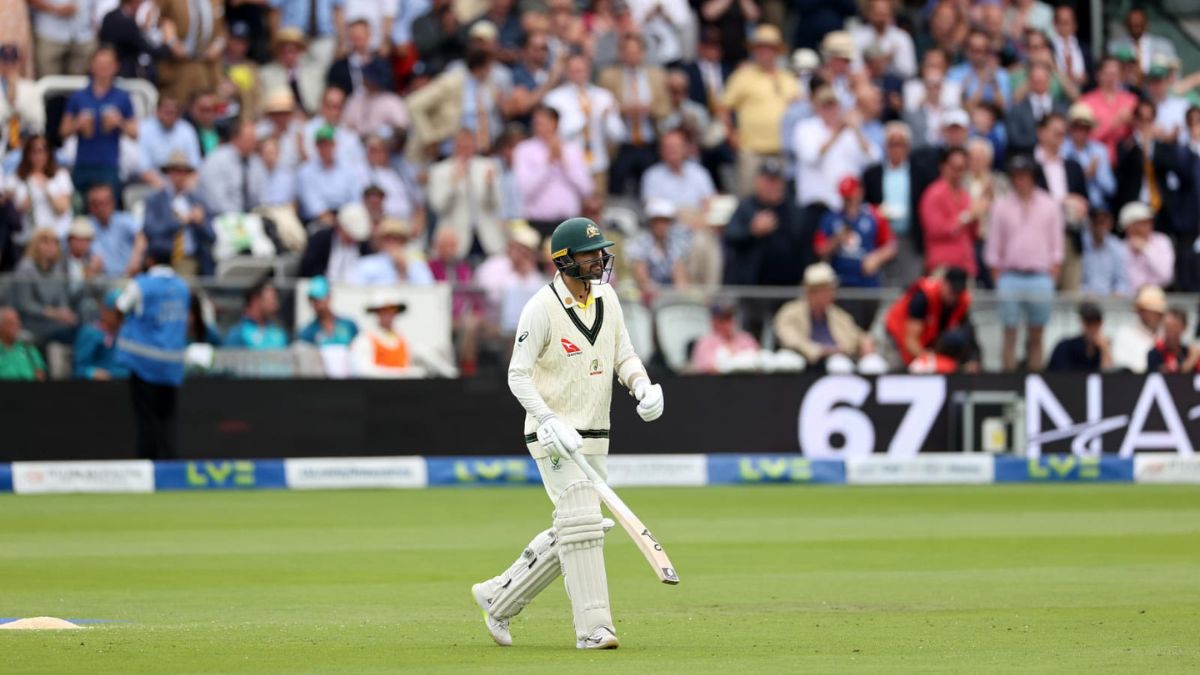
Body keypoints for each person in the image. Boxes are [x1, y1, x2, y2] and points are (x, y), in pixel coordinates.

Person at [472, 216, 664, 651]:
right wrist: (548, 419)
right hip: (554, 435)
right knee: (584, 524)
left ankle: (500, 596)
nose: (599, 260)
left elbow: (624, 355)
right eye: (589, 253)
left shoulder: (608, 298)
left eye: (601, 252)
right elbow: (517, 376)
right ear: (564, 260)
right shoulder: (540, 307)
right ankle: (594, 628)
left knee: (576, 528)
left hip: (597, 433)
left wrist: (642, 386)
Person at [985, 154, 1063, 372]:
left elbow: (1056, 247)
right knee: (1009, 332)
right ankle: (1008, 381)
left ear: (1032, 177)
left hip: (1040, 276)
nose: (1021, 180)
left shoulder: (1049, 205)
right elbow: (994, 247)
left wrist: (1052, 276)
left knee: (1037, 334)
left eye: (1025, 176)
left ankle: (1036, 379)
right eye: (1017, 176)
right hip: (1010, 276)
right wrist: (997, 277)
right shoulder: (1001, 207)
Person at [114, 243, 189, 458]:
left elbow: (120, 307)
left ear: (150, 260)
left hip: (143, 362)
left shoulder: (141, 285)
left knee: (147, 419)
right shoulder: (182, 287)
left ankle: (149, 466)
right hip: (171, 364)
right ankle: (171, 468)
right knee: (168, 419)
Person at [720, 25, 798, 196]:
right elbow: (723, 108)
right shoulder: (743, 76)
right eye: (760, 47)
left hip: (781, 153)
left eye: (768, 48)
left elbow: (799, 110)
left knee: (781, 203)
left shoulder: (789, 78)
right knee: (748, 200)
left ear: (777, 51)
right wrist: (730, 134)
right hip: (751, 152)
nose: (764, 52)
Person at [774, 262, 881, 373]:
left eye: (831, 289)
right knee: (787, 361)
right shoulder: (790, 312)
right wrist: (821, 351)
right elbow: (789, 339)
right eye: (826, 290)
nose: (832, 294)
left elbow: (857, 335)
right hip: (805, 362)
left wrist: (865, 341)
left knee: (853, 364)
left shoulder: (837, 314)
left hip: (837, 361)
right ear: (812, 292)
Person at [60, 47, 137, 198]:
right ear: (91, 66)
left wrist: (118, 122)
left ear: (115, 67)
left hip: (109, 164)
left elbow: (135, 132)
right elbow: (63, 131)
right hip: (83, 163)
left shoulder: (123, 97)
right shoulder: (78, 96)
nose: (103, 68)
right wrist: (78, 124)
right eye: (99, 63)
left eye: (107, 64)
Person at [599, 33, 668, 196]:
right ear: (621, 54)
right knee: (617, 186)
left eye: (636, 52)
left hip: (649, 140)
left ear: (643, 53)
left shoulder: (656, 76)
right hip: (623, 142)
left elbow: (666, 107)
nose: (632, 56)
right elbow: (603, 106)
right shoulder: (609, 76)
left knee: (651, 187)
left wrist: (651, 109)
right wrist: (624, 110)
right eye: (628, 52)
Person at [793, 87, 878, 213]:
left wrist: (857, 131)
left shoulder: (850, 132)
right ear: (816, 108)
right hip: (817, 204)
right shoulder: (805, 128)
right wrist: (837, 132)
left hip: (847, 205)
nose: (830, 110)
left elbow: (874, 158)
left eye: (833, 106)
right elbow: (812, 157)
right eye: (825, 106)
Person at [514, 106, 593, 237]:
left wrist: (564, 164)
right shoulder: (524, 150)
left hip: (569, 223)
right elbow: (525, 190)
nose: (538, 127)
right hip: (537, 222)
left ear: (555, 123)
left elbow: (587, 189)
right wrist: (548, 164)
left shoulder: (572, 149)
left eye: (543, 123)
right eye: (536, 123)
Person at [427, 129, 506, 261]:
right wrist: (453, 184)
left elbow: (495, 204)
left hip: (486, 238)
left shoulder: (487, 166)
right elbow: (438, 206)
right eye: (461, 145)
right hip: (456, 239)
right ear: (454, 146)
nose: (465, 149)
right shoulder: (440, 170)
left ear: (474, 145)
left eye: (468, 145)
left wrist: (489, 186)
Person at [815, 176, 896, 295]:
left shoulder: (873, 215)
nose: (847, 201)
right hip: (839, 284)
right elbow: (820, 249)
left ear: (859, 194)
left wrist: (876, 258)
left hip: (867, 284)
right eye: (845, 198)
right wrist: (836, 240)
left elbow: (891, 245)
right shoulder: (831, 218)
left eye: (850, 197)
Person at [884, 267, 974, 367]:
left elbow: (968, 333)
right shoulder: (922, 297)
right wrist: (931, 361)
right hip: (899, 332)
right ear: (944, 283)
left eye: (958, 293)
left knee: (955, 339)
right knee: (903, 369)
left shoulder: (961, 301)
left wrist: (972, 360)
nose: (954, 297)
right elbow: (910, 341)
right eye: (952, 291)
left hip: (927, 338)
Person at [919, 147, 978, 277]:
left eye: (962, 168)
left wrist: (977, 216)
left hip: (965, 266)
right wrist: (966, 217)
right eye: (955, 167)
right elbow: (935, 229)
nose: (958, 173)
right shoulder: (933, 194)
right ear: (943, 167)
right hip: (942, 268)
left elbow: (973, 234)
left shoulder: (966, 195)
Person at [13, 227, 77, 344]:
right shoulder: (25, 268)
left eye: (54, 243)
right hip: (31, 322)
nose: (51, 247)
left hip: (54, 321)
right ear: (35, 245)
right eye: (45, 242)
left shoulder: (58, 269)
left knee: (79, 328)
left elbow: (62, 297)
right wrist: (54, 314)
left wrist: (65, 311)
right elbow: (25, 304)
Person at [5, 134, 74, 241]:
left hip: (55, 238)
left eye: (42, 151)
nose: (38, 156)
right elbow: (6, 206)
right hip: (27, 239)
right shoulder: (15, 179)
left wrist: (47, 188)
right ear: (27, 154)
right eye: (34, 152)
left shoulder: (61, 176)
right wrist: (19, 208)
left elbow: (62, 208)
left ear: (49, 153)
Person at [196, 119, 268, 217]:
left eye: (255, 138)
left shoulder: (255, 162)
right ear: (236, 138)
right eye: (250, 138)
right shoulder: (216, 160)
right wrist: (239, 218)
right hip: (220, 218)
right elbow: (216, 201)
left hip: (251, 219)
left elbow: (262, 194)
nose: (255, 142)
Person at [296, 124, 365, 225]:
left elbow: (355, 197)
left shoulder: (348, 168)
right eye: (322, 145)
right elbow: (313, 204)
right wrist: (334, 222)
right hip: (319, 219)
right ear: (316, 146)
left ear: (334, 145)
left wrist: (350, 217)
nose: (325, 149)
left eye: (328, 144)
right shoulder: (306, 171)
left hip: (346, 215)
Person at [626, 198, 690, 300]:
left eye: (665, 222)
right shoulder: (640, 243)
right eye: (657, 221)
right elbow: (642, 277)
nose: (661, 226)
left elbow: (679, 275)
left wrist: (681, 296)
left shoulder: (675, 244)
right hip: (646, 298)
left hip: (669, 297)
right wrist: (656, 295)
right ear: (651, 222)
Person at [138, 96, 202, 189]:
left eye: (173, 112)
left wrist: (187, 184)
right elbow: (143, 169)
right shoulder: (144, 129)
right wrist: (166, 188)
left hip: (183, 183)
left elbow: (195, 166)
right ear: (157, 111)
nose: (170, 116)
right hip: (153, 183)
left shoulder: (187, 129)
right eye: (167, 112)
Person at [1062, 103, 1117, 211]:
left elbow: (1111, 188)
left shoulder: (1099, 150)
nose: (1080, 131)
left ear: (1089, 129)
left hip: (1097, 207)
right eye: (1076, 127)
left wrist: (1096, 174)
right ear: (1070, 128)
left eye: (1084, 127)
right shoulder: (1061, 150)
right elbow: (1061, 185)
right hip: (1070, 208)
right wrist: (1084, 175)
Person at [299, 201, 372, 281]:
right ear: (341, 228)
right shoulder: (321, 240)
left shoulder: (363, 246)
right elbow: (308, 268)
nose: (353, 240)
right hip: (325, 287)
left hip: (355, 289)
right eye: (350, 236)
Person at [348, 218, 435, 286]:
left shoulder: (417, 265)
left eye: (397, 238)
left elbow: (428, 291)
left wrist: (405, 269)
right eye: (388, 238)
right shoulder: (366, 264)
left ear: (403, 241)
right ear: (380, 241)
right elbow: (356, 290)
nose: (392, 242)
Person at [85, 183, 144, 278]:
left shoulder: (124, 220)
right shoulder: (86, 225)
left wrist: (135, 261)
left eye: (105, 203)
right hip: (100, 281)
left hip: (127, 278)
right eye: (96, 204)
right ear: (90, 206)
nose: (101, 208)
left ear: (112, 203)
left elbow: (141, 238)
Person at [690, 301, 760, 374]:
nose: (728, 323)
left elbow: (758, 363)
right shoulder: (705, 342)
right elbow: (709, 368)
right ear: (714, 321)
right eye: (723, 319)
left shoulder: (746, 338)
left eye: (730, 318)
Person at [73, 288, 130, 380]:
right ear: (105, 311)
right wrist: (92, 373)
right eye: (119, 314)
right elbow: (79, 369)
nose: (123, 318)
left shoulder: (127, 335)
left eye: (125, 314)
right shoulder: (90, 333)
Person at [1118, 201, 1175, 291]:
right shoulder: (1119, 247)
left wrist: (1146, 249)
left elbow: (1166, 277)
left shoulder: (1162, 241)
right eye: (1141, 223)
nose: (1148, 226)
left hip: (1157, 296)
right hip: (1127, 298)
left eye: (1148, 222)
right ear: (1128, 226)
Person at [32, 0, 96, 77]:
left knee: (79, 82)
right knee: (49, 81)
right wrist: (56, 9)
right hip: (50, 34)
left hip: (83, 35)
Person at [1112, 284, 1166, 373]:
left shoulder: (1166, 336)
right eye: (1152, 312)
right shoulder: (1125, 334)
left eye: (1159, 313)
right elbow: (1121, 367)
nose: (1157, 317)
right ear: (1140, 311)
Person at [1047, 302, 1113, 372]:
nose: (1093, 327)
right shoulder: (1065, 347)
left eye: (1097, 322)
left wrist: (1104, 350)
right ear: (1082, 322)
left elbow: (1107, 376)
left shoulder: (1102, 347)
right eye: (1089, 322)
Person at [224, 279, 289, 349]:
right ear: (255, 300)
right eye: (271, 301)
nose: (276, 306)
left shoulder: (279, 333)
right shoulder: (238, 334)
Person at [1081, 209, 1131, 297]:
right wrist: (1085, 292)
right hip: (1084, 300)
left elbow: (1122, 281)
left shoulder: (1117, 247)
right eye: (1097, 222)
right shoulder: (1080, 244)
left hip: (1110, 301)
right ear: (1090, 223)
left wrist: (1118, 292)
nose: (1100, 226)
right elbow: (1073, 281)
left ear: (1110, 224)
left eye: (1104, 223)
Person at [297, 276, 358, 347]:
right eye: (313, 300)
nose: (317, 303)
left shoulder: (349, 325)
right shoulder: (307, 332)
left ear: (329, 297)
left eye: (319, 299)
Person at [1146, 307, 1198, 374]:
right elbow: (1173, 376)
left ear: (1184, 327)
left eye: (1174, 327)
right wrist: (1191, 360)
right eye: (1166, 326)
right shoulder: (1156, 353)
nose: (1169, 331)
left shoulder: (1187, 352)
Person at [0, 306, 46, 380]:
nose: (16, 327)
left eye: (17, 323)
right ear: (1, 326)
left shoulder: (28, 347)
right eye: (11, 324)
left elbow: (40, 373)